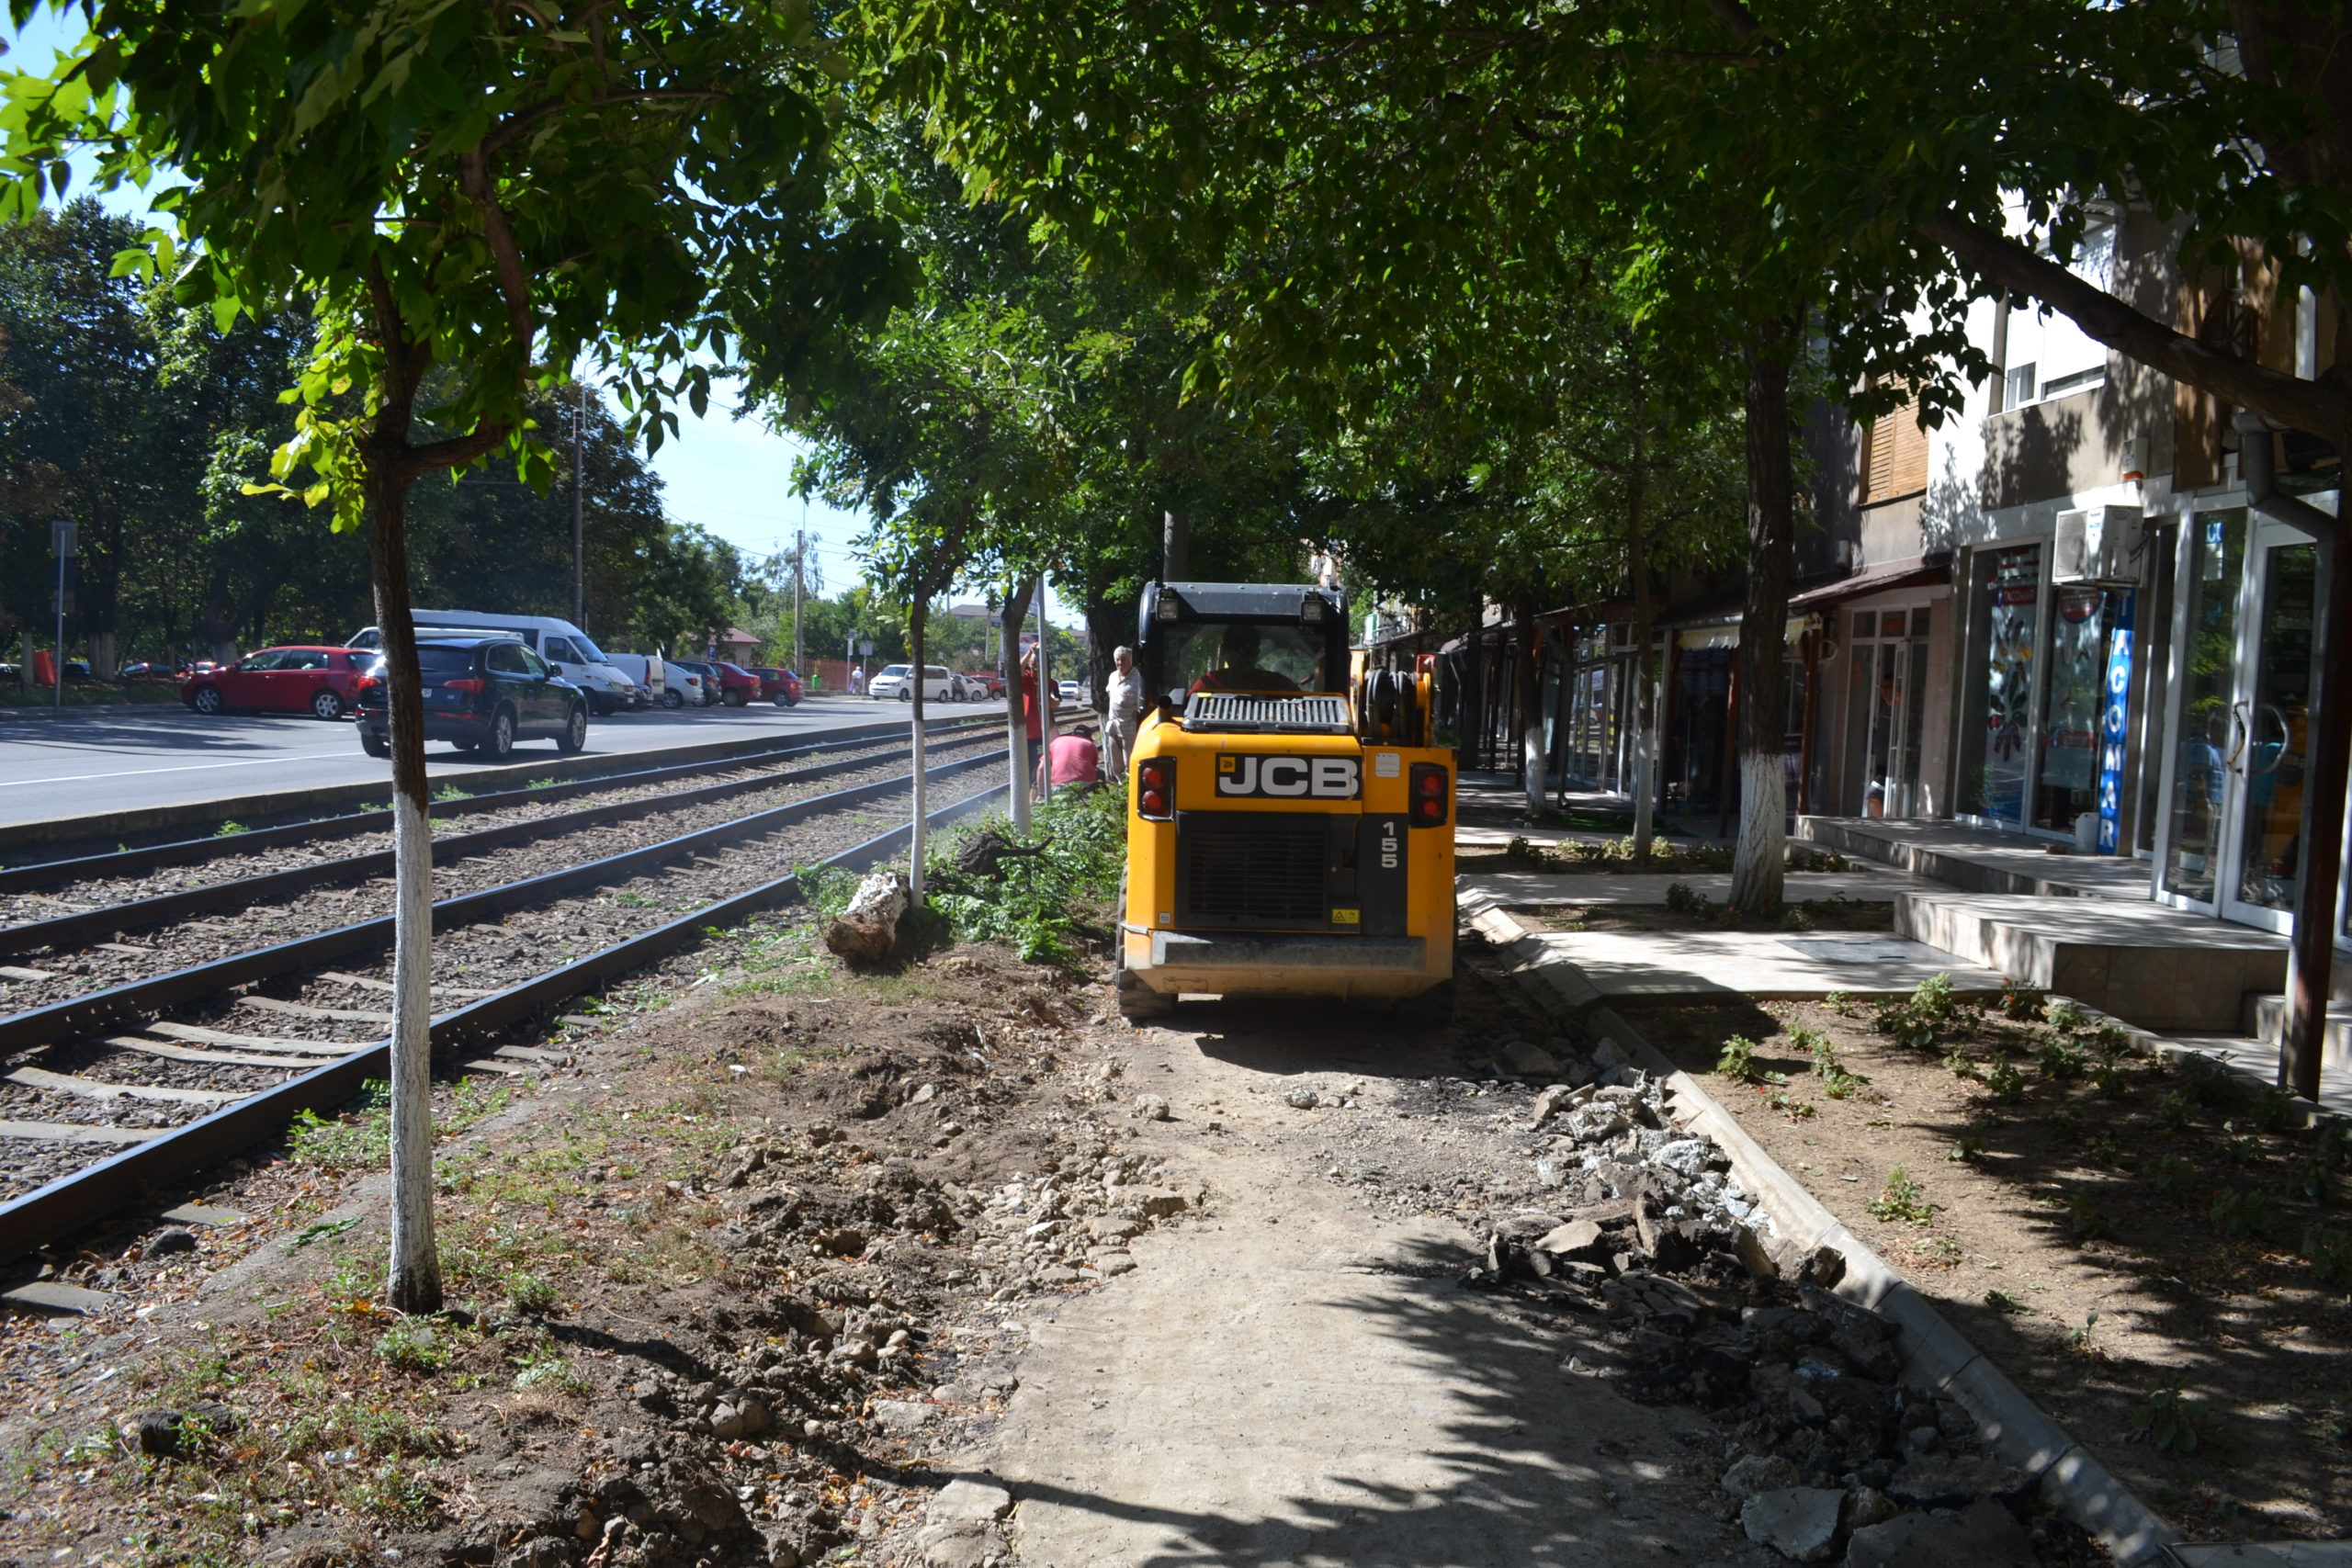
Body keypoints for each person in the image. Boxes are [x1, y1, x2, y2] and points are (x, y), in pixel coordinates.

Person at [1188, 621, 1303, 695]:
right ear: (1257, 653)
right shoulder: (1279, 684)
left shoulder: (1209, 683)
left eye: (1244, 651)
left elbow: (1183, 710)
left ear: (1223, 650)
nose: (1239, 655)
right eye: (1235, 650)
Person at [1103, 644, 1143, 787]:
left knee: (1129, 762)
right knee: (1115, 760)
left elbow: (1144, 700)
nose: (1120, 663)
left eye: (1123, 659)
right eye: (1117, 660)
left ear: (1130, 660)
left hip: (1129, 726)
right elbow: (1110, 694)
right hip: (1113, 724)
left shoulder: (1138, 677)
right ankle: (1120, 787)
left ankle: (1131, 790)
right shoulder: (1113, 676)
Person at [1041, 724, 1101, 794]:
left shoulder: (1057, 741)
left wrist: (1041, 793)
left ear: (1073, 734)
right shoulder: (1089, 744)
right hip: (1083, 782)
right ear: (1088, 737)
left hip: (1058, 783)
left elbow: (1041, 768)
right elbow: (1093, 767)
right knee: (1100, 774)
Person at [1018, 646, 1044, 792]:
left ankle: (1035, 793)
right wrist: (1029, 652)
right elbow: (1018, 668)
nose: (1035, 669)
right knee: (1025, 763)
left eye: (1038, 666)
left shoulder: (1048, 681)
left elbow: (1056, 700)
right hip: (1026, 732)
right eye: (1033, 666)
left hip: (1041, 733)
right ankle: (1026, 790)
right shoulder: (1026, 679)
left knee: (1037, 764)